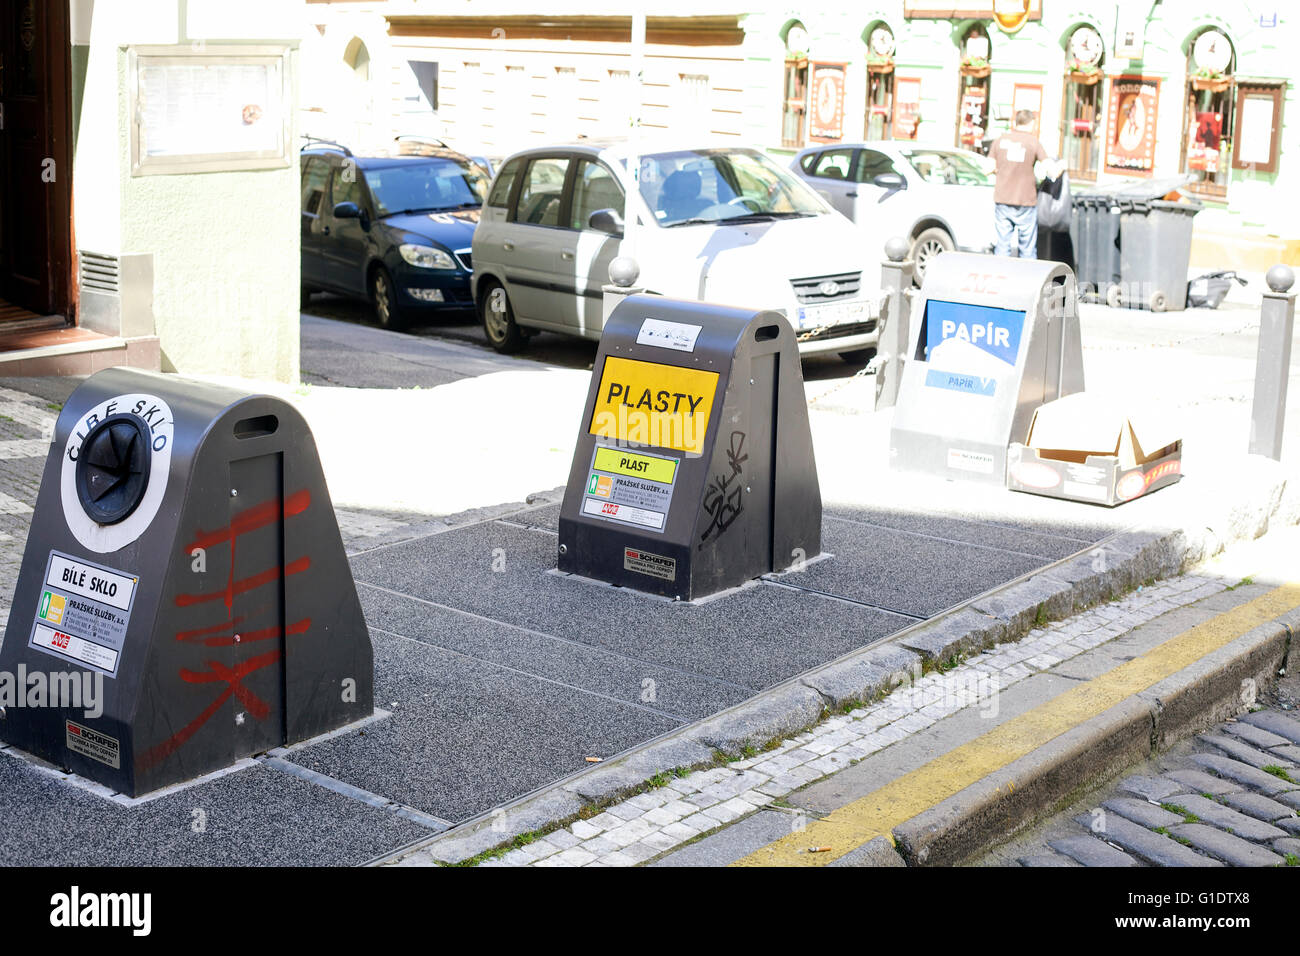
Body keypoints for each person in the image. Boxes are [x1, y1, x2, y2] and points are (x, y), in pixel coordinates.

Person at [991, 109, 1049, 259]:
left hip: (1003, 198)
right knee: (1028, 249)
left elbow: (988, 167)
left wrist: (1000, 170)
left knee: (1002, 246)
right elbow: (1051, 169)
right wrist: (1062, 165)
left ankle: (1000, 277)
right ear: (1031, 123)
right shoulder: (1033, 142)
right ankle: (1029, 280)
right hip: (1026, 201)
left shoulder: (1001, 140)